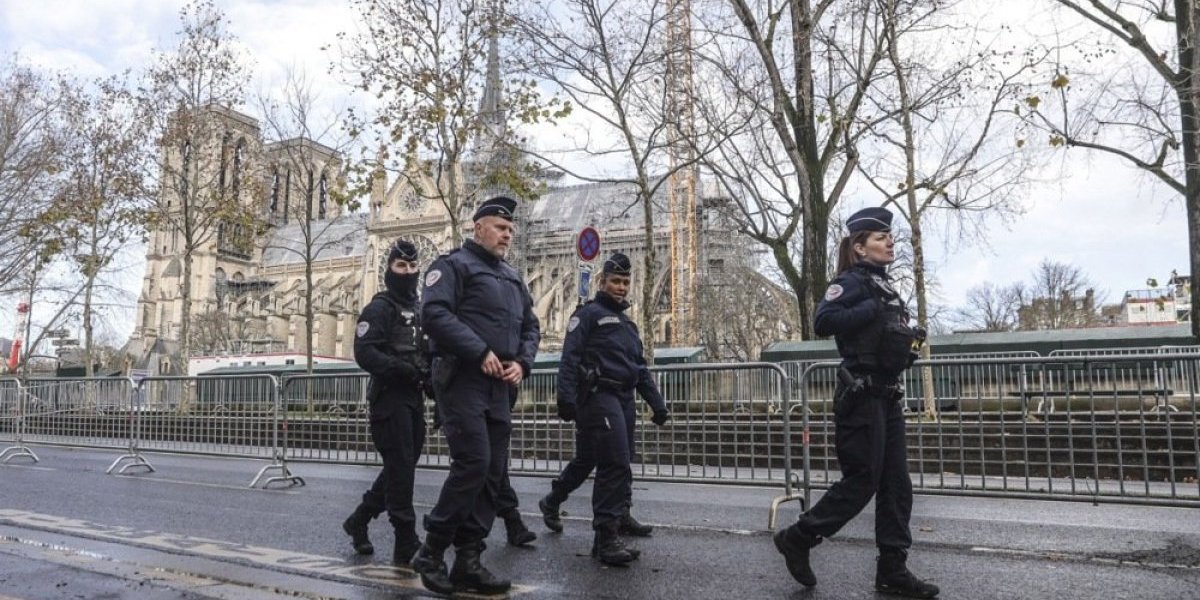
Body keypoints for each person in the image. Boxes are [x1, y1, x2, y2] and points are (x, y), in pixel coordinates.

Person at [773, 206, 938, 598]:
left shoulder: (887, 287)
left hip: (887, 394)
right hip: (860, 395)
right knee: (862, 481)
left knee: (896, 485)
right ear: (860, 247)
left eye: (890, 237)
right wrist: (870, 311)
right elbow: (824, 320)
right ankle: (799, 536)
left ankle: (892, 570)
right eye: (881, 238)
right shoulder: (850, 282)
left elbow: (887, 338)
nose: (890, 242)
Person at [410, 196, 541, 596]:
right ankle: (431, 552)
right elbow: (434, 314)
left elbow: (531, 327)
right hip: (463, 378)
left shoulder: (513, 277)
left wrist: (523, 361)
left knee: (493, 472)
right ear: (478, 226)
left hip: (500, 383)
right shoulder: (451, 267)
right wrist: (478, 350)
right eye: (501, 228)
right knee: (474, 463)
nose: (508, 235)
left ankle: (468, 558)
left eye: (510, 230)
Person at [546, 252, 670, 566]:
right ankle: (605, 537)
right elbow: (570, 358)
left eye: (626, 282)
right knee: (614, 465)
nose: (621, 287)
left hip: (623, 399)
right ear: (602, 282)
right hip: (598, 397)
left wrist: (657, 404)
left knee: (600, 459)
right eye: (615, 281)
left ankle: (559, 502)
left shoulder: (628, 325)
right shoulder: (587, 315)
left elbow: (639, 369)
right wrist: (566, 399)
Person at [342, 239, 430, 567]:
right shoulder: (379, 307)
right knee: (401, 468)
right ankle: (406, 539)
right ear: (389, 270)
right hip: (389, 398)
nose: (407, 272)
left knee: (400, 467)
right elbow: (364, 351)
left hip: (414, 397)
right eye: (400, 266)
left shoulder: (421, 308)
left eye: (411, 266)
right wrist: (398, 369)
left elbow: (427, 351)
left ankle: (359, 520)